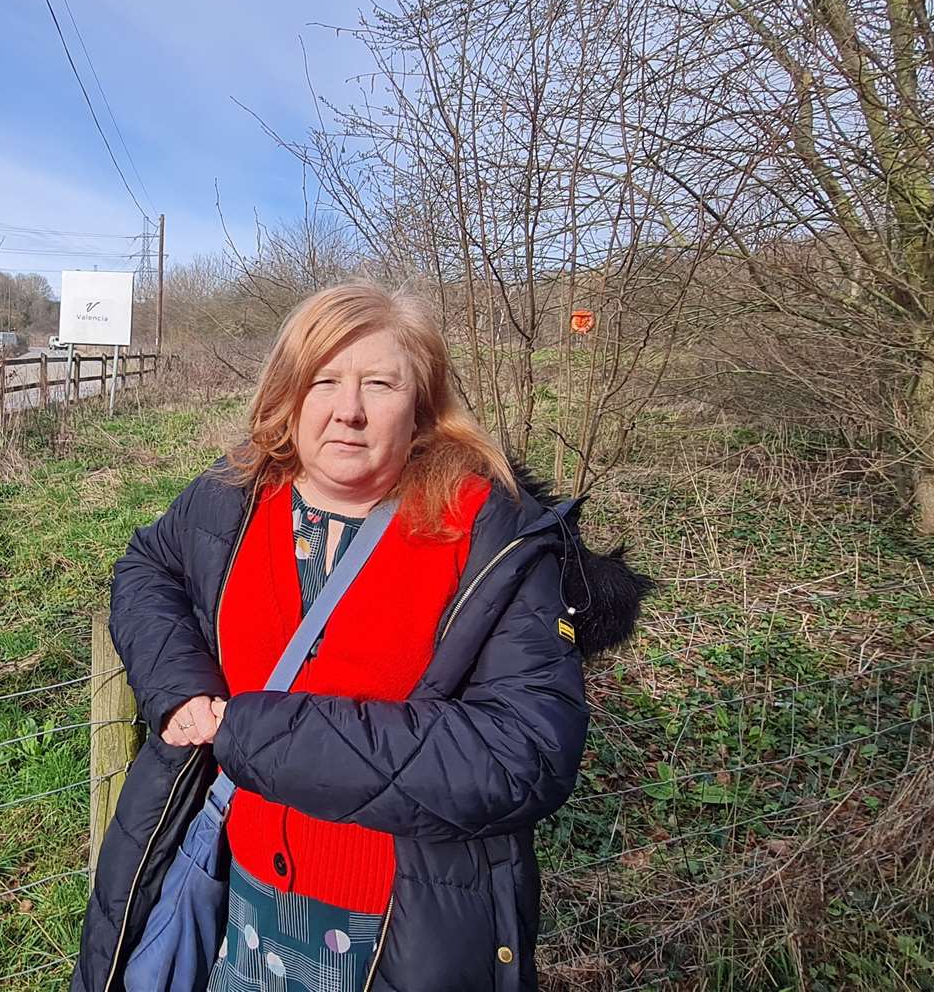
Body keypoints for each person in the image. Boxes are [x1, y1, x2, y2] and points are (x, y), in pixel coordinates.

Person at [72, 284, 649, 992]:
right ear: (289, 392)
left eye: (379, 383)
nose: (347, 410)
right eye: (324, 380)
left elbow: (522, 753)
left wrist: (257, 735)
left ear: (422, 407)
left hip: (397, 933)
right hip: (235, 895)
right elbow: (147, 565)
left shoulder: (486, 536)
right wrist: (177, 684)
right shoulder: (235, 494)